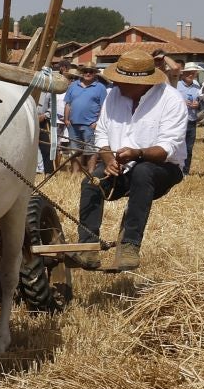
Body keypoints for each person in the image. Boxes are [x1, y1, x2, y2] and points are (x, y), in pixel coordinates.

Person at [71, 49, 186, 274]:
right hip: (121, 166)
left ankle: (130, 246)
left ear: (144, 82)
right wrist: (107, 158)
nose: (117, 84)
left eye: (123, 81)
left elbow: (167, 149)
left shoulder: (171, 100)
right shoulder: (114, 95)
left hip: (163, 168)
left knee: (143, 172)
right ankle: (88, 246)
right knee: (91, 183)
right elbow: (102, 133)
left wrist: (137, 153)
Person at [59, 64, 107, 167]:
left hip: (90, 124)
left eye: (91, 71)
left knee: (91, 150)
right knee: (74, 150)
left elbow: (104, 107)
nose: (88, 73)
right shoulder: (73, 86)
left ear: (95, 73)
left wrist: (97, 122)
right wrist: (66, 120)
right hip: (73, 124)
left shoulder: (101, 88)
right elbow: (68, 103)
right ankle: (75, 174)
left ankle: (90, 173)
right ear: (82, 72)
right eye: (85, 71)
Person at [174, 63, 203, 175]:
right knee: (176, 147)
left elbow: (202, 103)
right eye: (188, 72)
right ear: (183, 73)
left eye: (193, 73)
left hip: (191, 120)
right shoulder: (176, 85)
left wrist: (198, 105)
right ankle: (175, 171)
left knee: (189, 149)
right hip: (178, 121)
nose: (190, 75)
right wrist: (181, 103)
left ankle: (185, 172)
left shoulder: (197, 87)